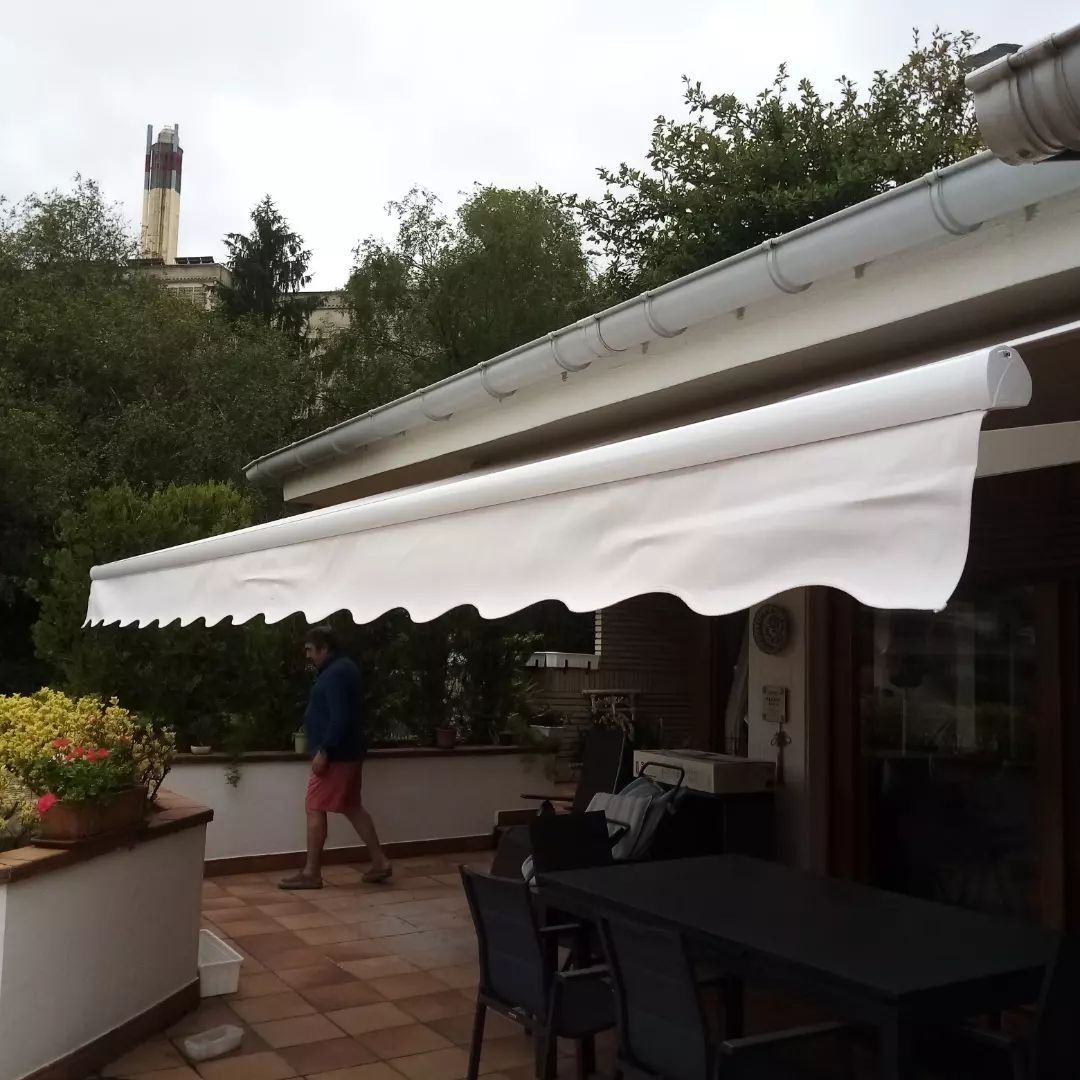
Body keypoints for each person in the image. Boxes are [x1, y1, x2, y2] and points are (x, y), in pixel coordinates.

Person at [279, 626, 392, 889]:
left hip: (337, 756)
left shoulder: (337, 673)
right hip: (349, 753)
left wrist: (324, 750)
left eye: (310, 650)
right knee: (352, 806)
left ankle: (311, 873)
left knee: (314, 806)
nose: (308, 656)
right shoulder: (341, 669)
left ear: (324, 648)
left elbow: (340, 717)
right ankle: (380, 862)